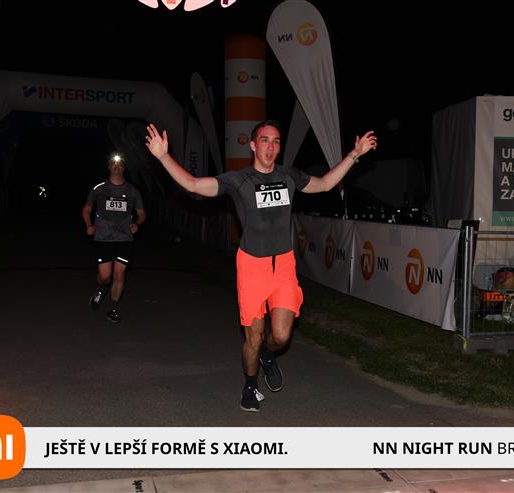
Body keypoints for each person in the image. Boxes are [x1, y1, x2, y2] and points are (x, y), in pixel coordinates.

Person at [145, 120, 377, 412]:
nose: (271, 146)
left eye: (276, 141)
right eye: (265, 140)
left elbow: (326, 184)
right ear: (253, 145)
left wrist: (354, 155)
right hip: (252, 267)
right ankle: (250, 385)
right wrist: (163, 156)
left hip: (283, 267)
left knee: (281, 336)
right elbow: (193, 184)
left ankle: (268, 353)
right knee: (252, 337)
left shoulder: (288, 176)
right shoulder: (238, 180)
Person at [82, 152, 146, 323]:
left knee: (119, 275)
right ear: (109, 167)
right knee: (105, 277)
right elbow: (86, 209)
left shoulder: (132, 191)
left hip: (124, 238)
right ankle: (101, 287)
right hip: (103, 237)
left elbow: (141, 213)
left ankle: (113, 309)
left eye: (120, 164)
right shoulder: (98, 188)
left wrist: (137, 224)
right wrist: (89, 226)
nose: (117, 167)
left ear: (123, 168)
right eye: (113, 164)